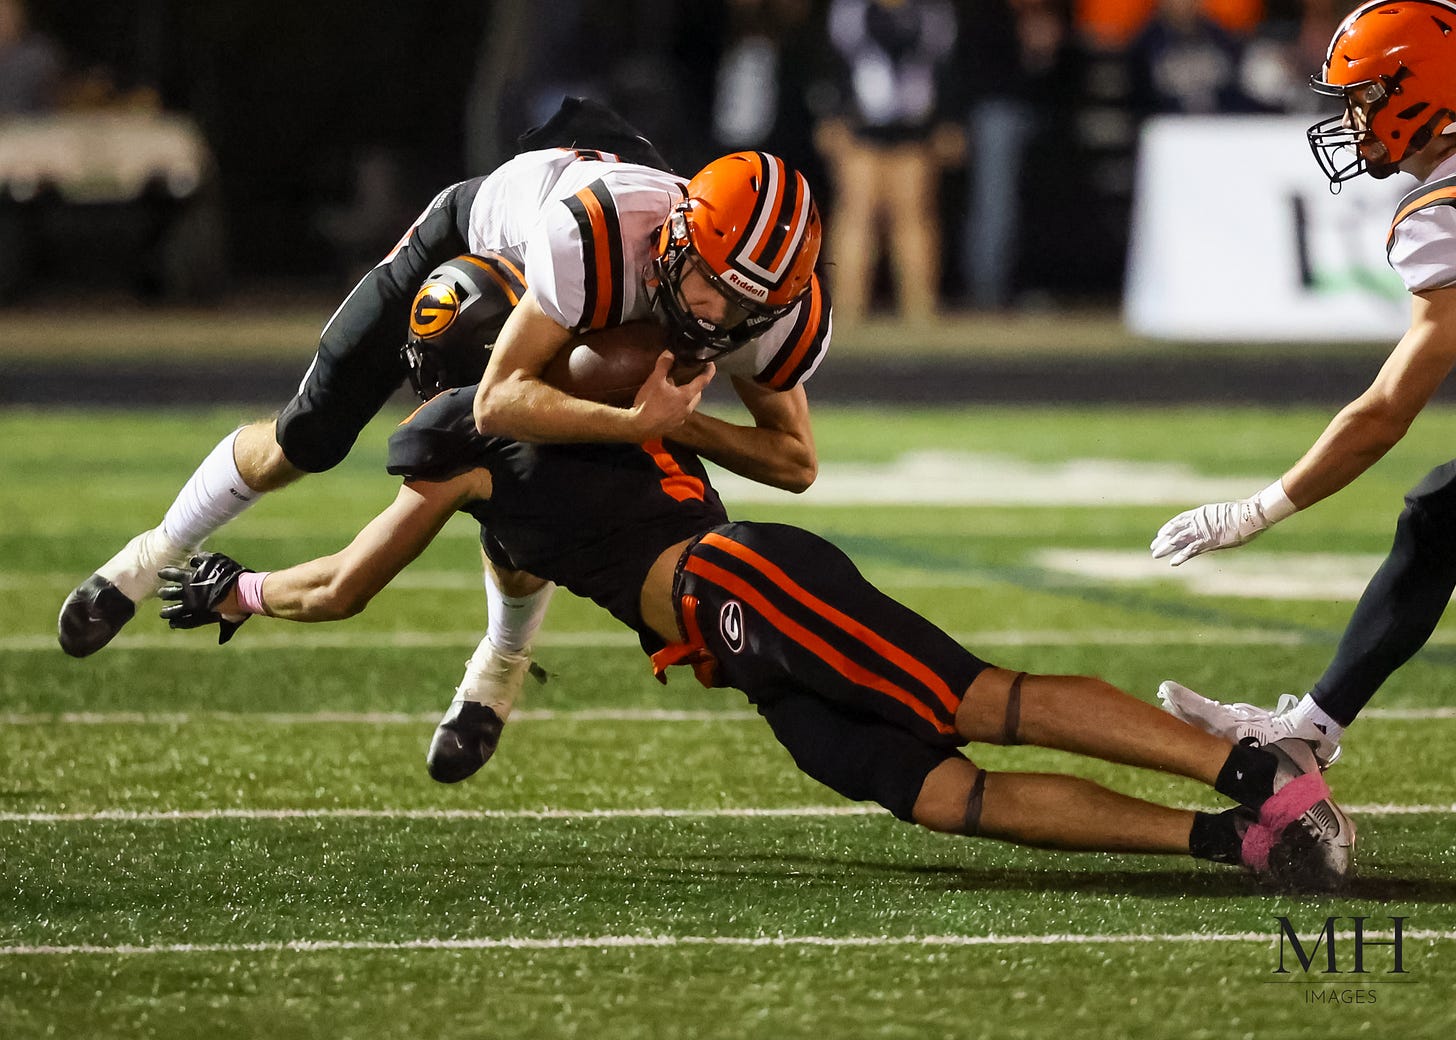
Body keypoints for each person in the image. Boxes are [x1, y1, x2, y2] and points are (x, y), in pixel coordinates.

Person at [154, 379, 1356, 891]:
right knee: (940, 793)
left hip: (746, 585)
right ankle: (1226, 841)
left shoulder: (473, 438)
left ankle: (1258, 775)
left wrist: (245, 593)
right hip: (738, 644)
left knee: (980, 698)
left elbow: (352, 580)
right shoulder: (560, 405)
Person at [57, 99, 833, 777]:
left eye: (743, 308)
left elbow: (795, 463)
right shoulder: (593, 243)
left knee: (536, 484)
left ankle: (499, 664)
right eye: (709, 283)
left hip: (583, 292)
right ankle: (150, 554)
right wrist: (634, 420)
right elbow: (497, 401)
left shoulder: (761, 306)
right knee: (307, 437)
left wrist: (679, 420)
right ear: (679, 238)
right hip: (489, 245)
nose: (714, 315)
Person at [1150, 0, 1456, 768]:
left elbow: (1386, 411)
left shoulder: (1441, 215)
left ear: (1420, 91)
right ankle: (1314, 727)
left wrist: (1258, 510)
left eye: (1364, 96)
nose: (1352, 119)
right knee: (1443, 517)